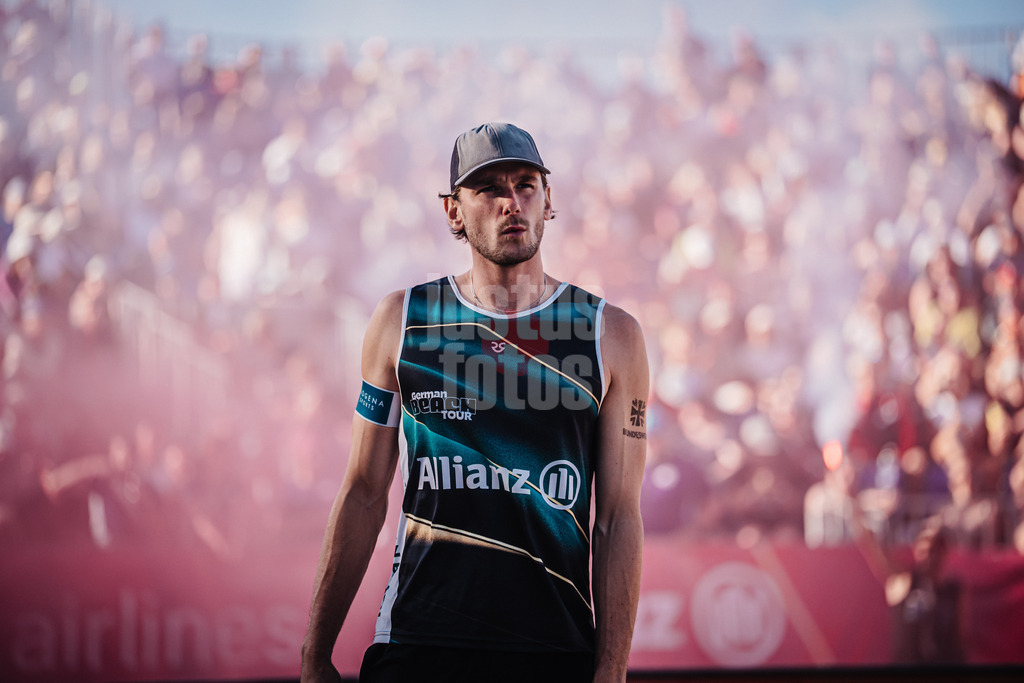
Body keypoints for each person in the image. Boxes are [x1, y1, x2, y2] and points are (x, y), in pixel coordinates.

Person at [300, 122, 649, 682]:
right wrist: (315, 654)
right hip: (418, 644)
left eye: (526, 185)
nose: (512, 203)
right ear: (453, 211)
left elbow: (616, 518)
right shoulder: (402, 321)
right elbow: (364, 491)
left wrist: (611, 673)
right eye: (489, 189)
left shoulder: (610, 336)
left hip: (553, 652)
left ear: (548, 199)